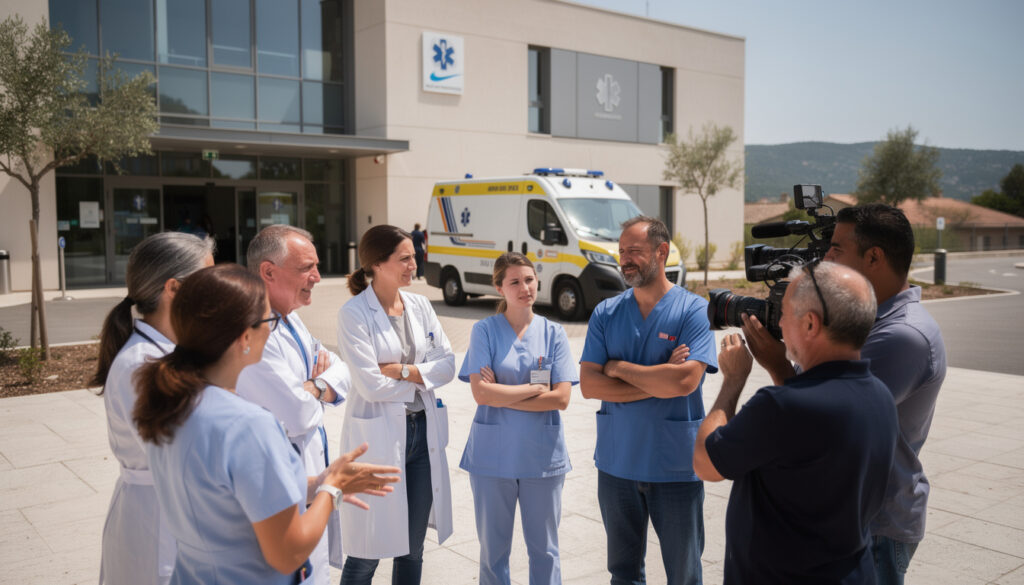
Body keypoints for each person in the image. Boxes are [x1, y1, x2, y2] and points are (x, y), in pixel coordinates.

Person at [133, 263, 401, 585]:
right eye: (270, 321)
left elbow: (228, 494)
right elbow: (288, 552)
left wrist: (317, 482)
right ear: (245, 336)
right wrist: (333, 490)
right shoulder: (249, 426)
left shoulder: (169, 405)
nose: (273, 330)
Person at [741, 204, 947, 584]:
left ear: (874, 257)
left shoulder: (902, 335)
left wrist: (776, 362)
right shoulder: (866, 319)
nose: (825, 258)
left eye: (836, 249)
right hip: (852, 512)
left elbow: (823, 420)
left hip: (877, 524)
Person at [694, 261, 899, 584]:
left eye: (783, 313)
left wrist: (733, 380)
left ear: (810, 324)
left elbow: (706, 463)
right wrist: (779, 368)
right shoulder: (880, 397)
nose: (778, 323)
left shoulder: (780, 407)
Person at [579, 216, 718, 585]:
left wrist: (618, 367)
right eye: (622, 251)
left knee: (684, 574)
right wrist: (658, 379)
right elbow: (589, 384)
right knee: (623, 574)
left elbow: (686, 380)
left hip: (674, 467)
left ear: (662, 252)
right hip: (617, 465)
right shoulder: (606, 313)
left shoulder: (693, 310)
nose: (625, 259)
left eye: (635, 252)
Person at [337, 224, 456, 585]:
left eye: (414, 256)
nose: (413, 264)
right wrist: (421, 379)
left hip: (421, 434)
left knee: (412, 548)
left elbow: (448, 364)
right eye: (404, 258)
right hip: (377, 438)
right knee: (366, 551)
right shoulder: (354, 313)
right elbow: (371, 385)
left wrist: (402, 370)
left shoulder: (419, 305)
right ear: (376, 263)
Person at [94, 231, 214, 585]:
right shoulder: (141, 364)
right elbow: (193, 455)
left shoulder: (171, 353)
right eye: (207, 281)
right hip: (156, 524)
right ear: (174, 289)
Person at [237, 225, 351, 585]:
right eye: (306, 268)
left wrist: (313, 386)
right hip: (282, 484)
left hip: (307, 475)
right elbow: (298, 414)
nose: (317, 277)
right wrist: (320, 391)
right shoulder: (255, 331)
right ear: (268, 272)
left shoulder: (293, 319)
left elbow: (341, 369)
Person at [458, 252, 577, 585]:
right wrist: (533, 391)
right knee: (493, 554)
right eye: (514, 282)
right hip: (492, 460)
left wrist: (504, 394)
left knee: (546, 552)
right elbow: (481, 394)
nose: (525, 287)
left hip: (542, 458)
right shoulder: (483, 331)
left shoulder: (554, 333)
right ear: (499, 288)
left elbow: (562, 398)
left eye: (529, 279)